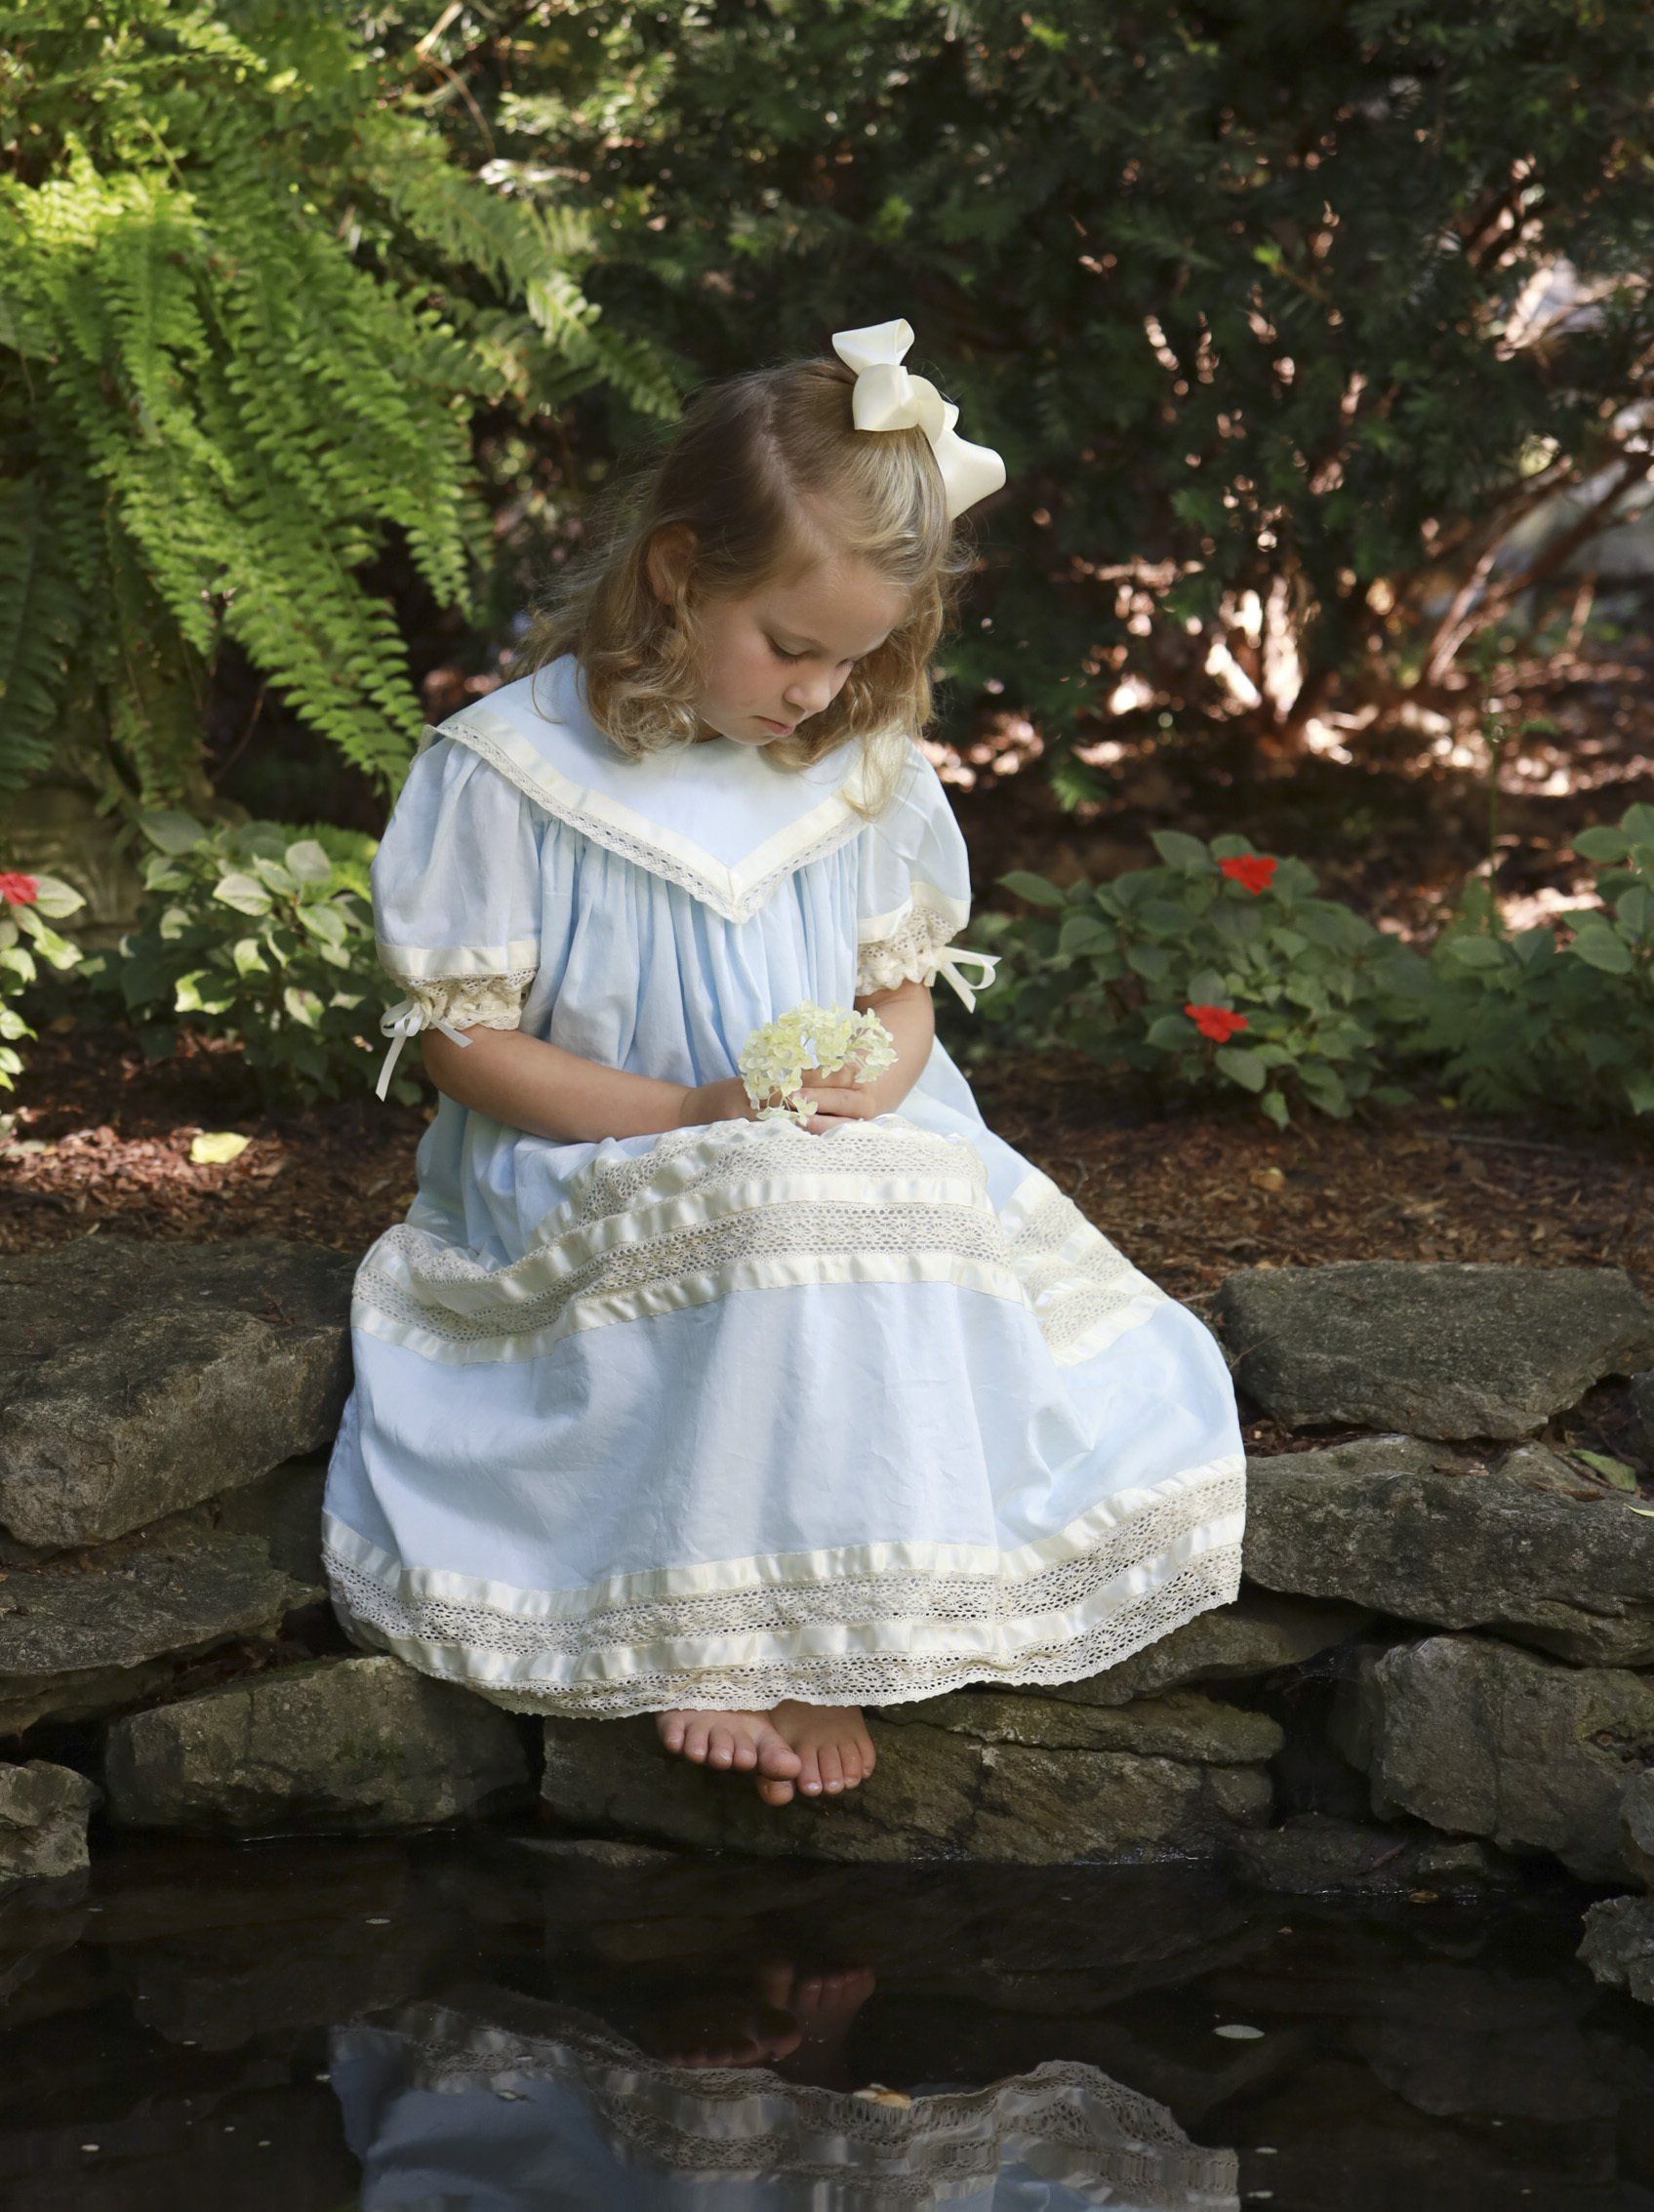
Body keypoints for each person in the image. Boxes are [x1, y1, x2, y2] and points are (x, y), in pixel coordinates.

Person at [321, 317, 1246, 1810]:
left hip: (825, 1129)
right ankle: (715, 1628)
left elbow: (900, 1003)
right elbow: (464, 1046)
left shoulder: (859, 769)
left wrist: (868, 1084)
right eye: (791, 647)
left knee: (898, 1213)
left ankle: (836, 1634)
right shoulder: (511, 773)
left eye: (856, 657)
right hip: (597, 1151)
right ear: (680, 571)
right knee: (756, 1209)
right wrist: (693, 1112)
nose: (817, 690)